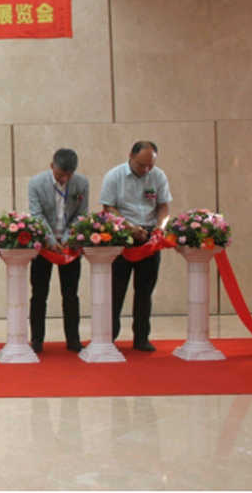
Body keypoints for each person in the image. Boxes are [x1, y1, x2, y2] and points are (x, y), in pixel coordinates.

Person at [100, 141, 172, 352]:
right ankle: (109, 337)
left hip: (150, 237)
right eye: (142, 165)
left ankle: (141, 337)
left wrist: (160, 228)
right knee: (116, 290)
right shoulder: (114, 176)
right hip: (123, 236)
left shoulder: (158, 176)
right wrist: (130, 227)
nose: (146, 169)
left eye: (150, 165)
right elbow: (108, 208)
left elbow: (164, 206)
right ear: (130, 156)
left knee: (145, 290)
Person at [27, 148, 89, 353]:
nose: (64, 179)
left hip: (69, 247)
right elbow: (37, 215)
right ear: (52, 166)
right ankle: (37, 340)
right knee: (39, 294)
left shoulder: (81, 183)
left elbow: (81, 215)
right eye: (61, 174)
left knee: (71, 294)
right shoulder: (36, 183)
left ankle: (73, 339)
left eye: (68, 175)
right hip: (45, 246)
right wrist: (51, 240)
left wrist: (69, 237)